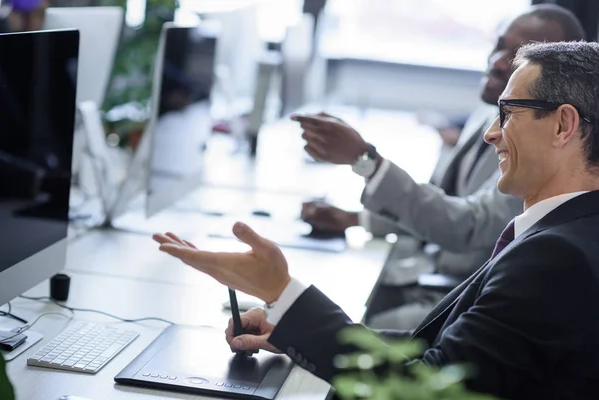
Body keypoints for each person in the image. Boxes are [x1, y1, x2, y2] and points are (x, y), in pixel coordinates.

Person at [154, 40, 599, 399]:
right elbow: (441, 355)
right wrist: (289, 331)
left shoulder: (556, 257)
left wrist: (282, 292)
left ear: (563, 125)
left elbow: (418, 391)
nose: (491, 133)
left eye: (508, 113)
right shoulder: (567, 231)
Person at [298, 4, 586, 329]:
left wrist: (365, 160)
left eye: (519, 54)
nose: (497, 60)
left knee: (321, 322)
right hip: (423, 272)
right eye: (499, 46)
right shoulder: (486, 113)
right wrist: (357, 219)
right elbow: (440, 199)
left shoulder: (538, 154)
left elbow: (469, 225)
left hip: (453, 298)